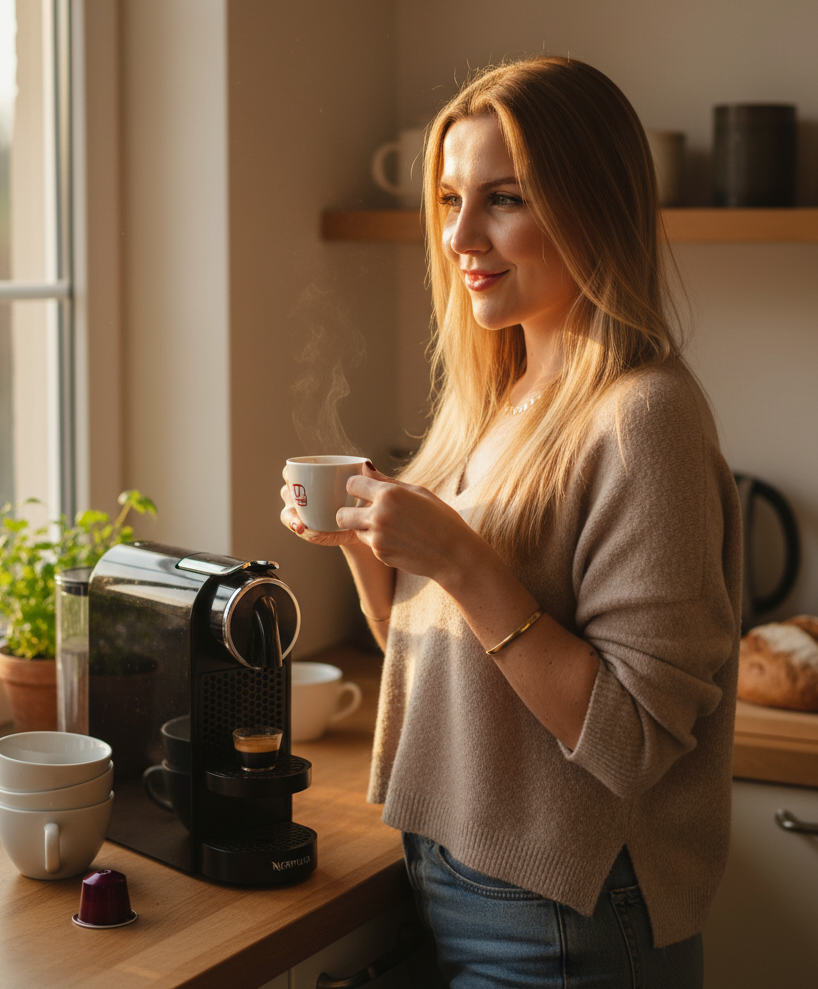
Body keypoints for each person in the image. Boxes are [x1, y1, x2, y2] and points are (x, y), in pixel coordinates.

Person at [281, 57, 742, 989]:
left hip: (568, 910)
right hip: (456, 870)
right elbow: (446, 662)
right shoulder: (493, 396)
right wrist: (374, 556)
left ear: (592, 204)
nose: (460, 235)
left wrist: (457, 557)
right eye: (449, 199)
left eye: (503, 198)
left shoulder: (644, 415)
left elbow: (633, 739)